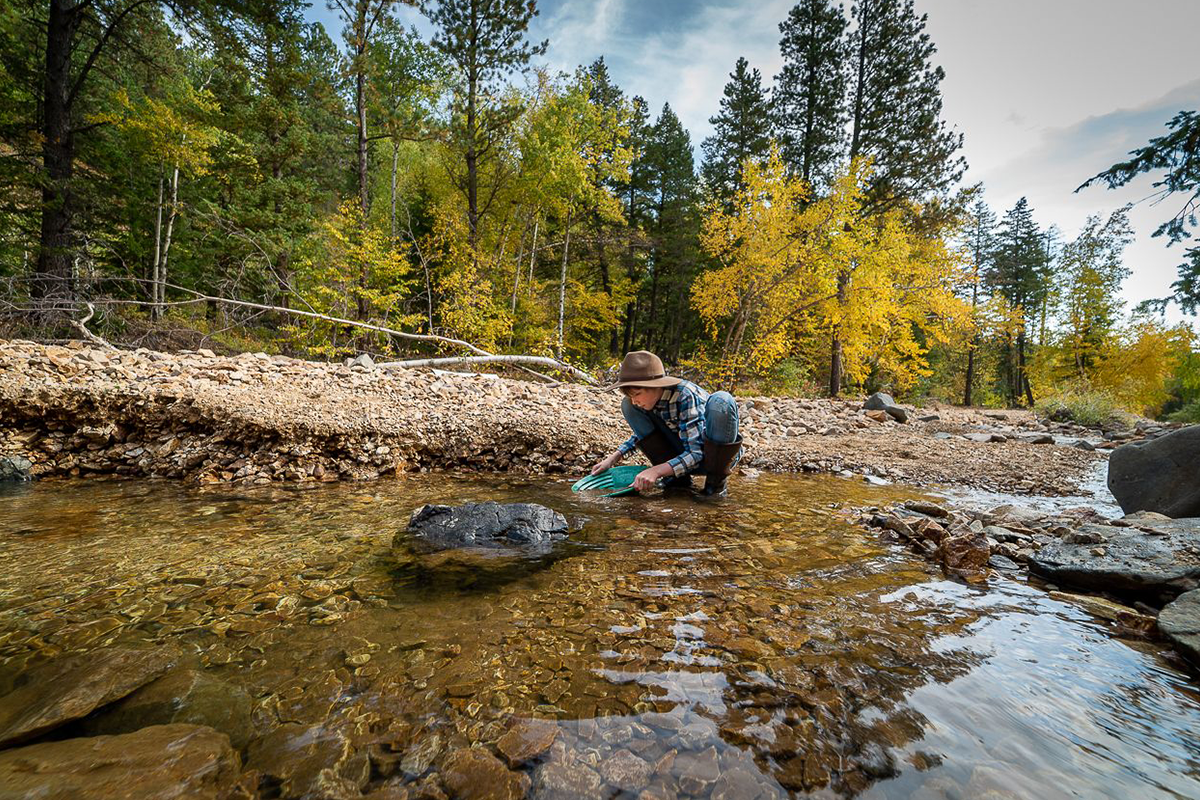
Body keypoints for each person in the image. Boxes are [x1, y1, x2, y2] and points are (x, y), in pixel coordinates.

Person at [590, 351, 743, 497]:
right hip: (683, 455)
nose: (635, 401)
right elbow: (644, 434)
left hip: (712, 457)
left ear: (656, 385)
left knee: (722, 400)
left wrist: (656, 472)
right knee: (627, 406)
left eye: (637, 394)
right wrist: (612, 458)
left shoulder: (685, 394)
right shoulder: (649, 401)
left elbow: (696, 453)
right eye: (631, 396)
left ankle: (715, 486)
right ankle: (676, 481)